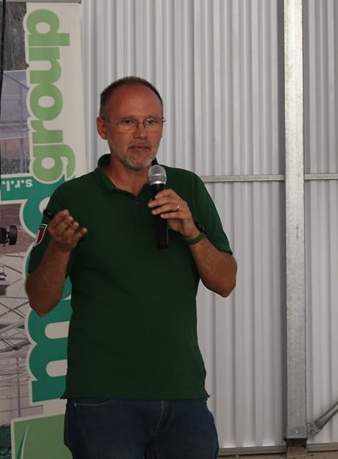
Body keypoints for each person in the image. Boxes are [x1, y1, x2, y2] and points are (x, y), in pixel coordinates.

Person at [25, 76, 237, 459]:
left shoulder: (186, 188)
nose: (141, 134)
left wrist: (191, 231)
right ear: (102, 128)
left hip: (183, 393)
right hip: (103, 399)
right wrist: (59, 249)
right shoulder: (73, 197)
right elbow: (40, 301)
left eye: (151, 122)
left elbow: (225, 282)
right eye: (128, 122)